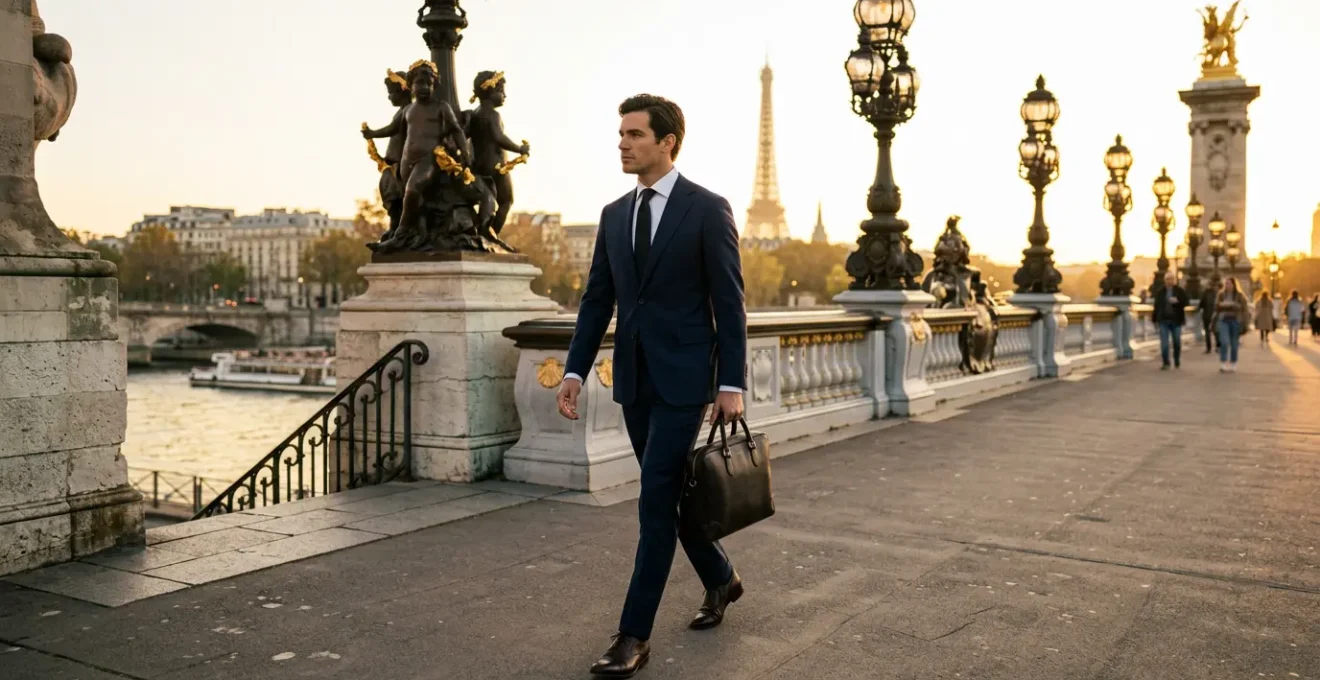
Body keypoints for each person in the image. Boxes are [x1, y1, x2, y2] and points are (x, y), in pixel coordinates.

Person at [556, 94, 747, 678]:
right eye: (621, 134)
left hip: (686, 381)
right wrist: (574, 370)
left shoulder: (707, 208)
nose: (623, 143)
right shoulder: (614, 214)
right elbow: (597, 300)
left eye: (635, 134)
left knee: (654, 500)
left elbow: (729, 303)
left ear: (667, 142)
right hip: (634, 379)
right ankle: (721, 577)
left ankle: (633, 636)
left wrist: (731, 382)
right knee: (669, 495)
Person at [1152, 271, 1190, 369]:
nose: (1170, 281)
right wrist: (1154, 319)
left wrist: (1178, 301)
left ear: (1174, 280)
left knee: (1177, 342)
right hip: (1163, 320)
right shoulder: (1160, 291)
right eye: (1168, 279)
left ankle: (1176, 359)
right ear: (1165, 280)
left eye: (1172, 279)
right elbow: (1156, 306)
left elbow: (1186, 302)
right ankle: (1166, 363)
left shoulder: (1179, 291)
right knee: (1164, 343)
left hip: (1176, 320)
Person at [1215, 277, 1250, 372]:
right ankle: (1223, 363)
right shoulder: (1221, 294)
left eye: (1229, 283)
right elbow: (1216, 306)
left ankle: (1233, 363)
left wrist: (1233, 305)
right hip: (1224, 320)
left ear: (1234, 285)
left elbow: (1244, 309)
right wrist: (1222, 305)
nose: (1227, 285)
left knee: (1234, 344)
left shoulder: (1240, 295)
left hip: (1235, 321)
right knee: (1224, 342)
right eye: (1226, 283)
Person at [1199, 280, 1220, 354]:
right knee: (1216, 331)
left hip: (1206, 315)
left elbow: (1201, 304)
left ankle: (1208, 348)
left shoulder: (1205, 293)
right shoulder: (1218, 293)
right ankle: (1218, 347)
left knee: (1207, 331)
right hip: (1215, 315)